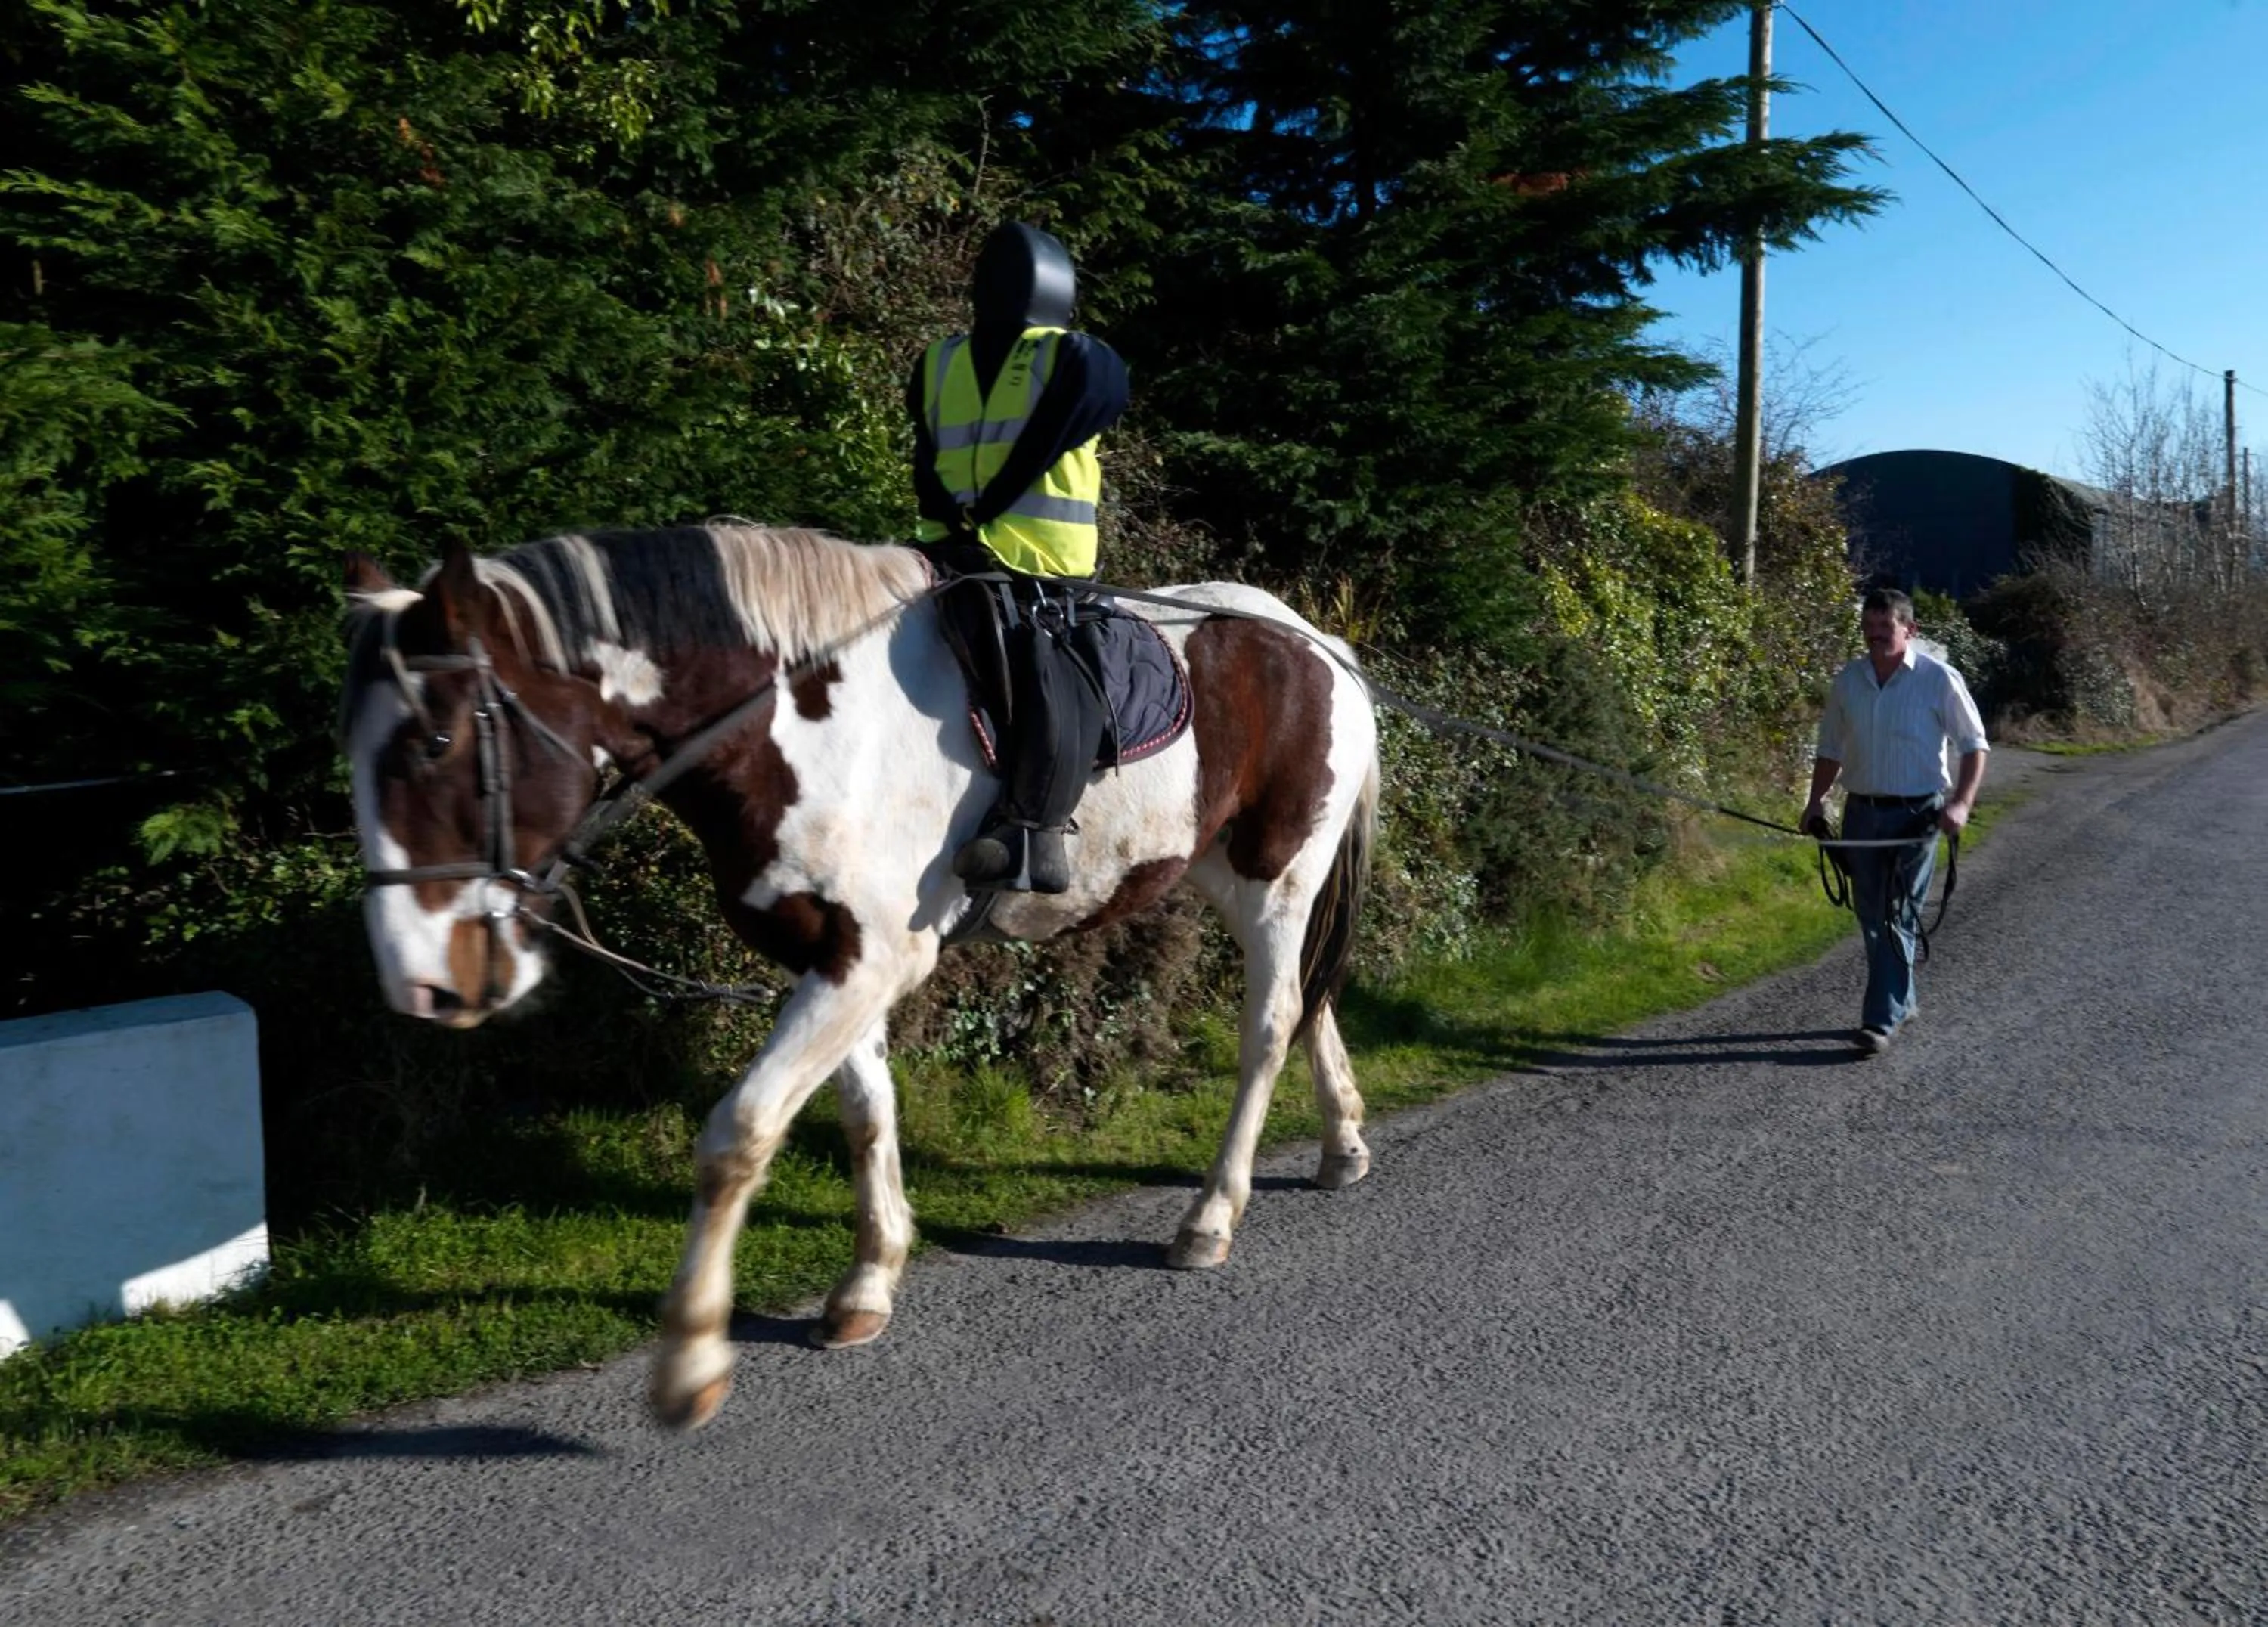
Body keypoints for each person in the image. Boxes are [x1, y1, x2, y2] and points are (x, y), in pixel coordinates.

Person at [908, 221, 1131, 895]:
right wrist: (962, 513)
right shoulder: (941, 361)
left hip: (1027, 559)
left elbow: (1047, 435)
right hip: (961, 549)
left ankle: (1032, 826)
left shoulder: (1078, 359)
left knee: (1049, 656)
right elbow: (925, 447)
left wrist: (972, 508)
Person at [1802, 587, 1990, 1056]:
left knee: (1896, 914)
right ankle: (1902, 1001)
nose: (1875, 639)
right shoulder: (1849, 681)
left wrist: (1961, 804)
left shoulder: (1939, 680)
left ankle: (1878, 1019)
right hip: (1861, 814)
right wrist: (1815, 802)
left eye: (1885, 630)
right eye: (1868, 631)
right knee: (1871, 916)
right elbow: (1830, 749)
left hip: (1918, 816)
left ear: (1910, 629)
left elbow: (1974, 746)